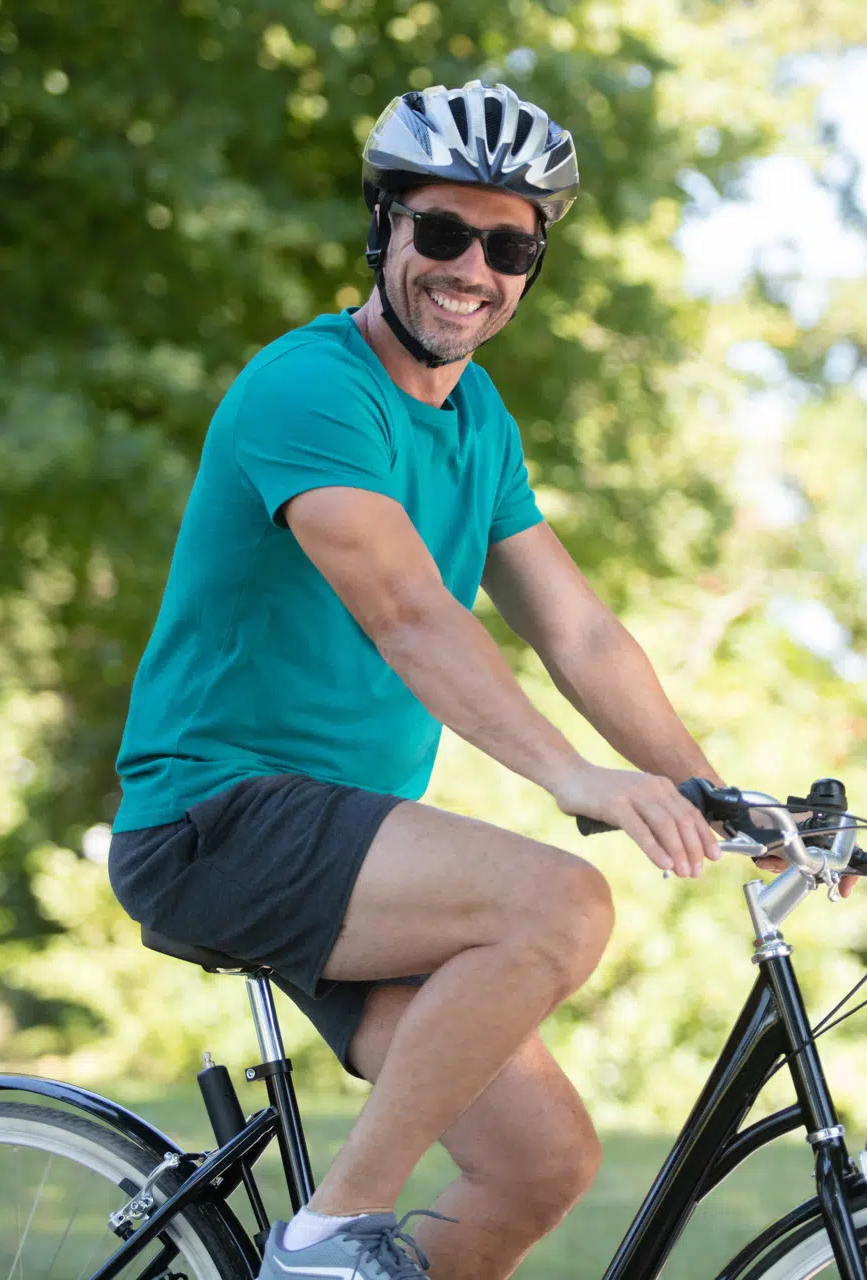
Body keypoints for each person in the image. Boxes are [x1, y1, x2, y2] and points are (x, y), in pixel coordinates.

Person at [106, 80, 725, 1280]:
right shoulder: (311, 384)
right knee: (560, 902)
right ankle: (325, 1238)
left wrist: (711, 791)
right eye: (442, 231)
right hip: (215, 817)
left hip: (343, 855)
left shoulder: (477, 417)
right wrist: (574, 778)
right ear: (383, 227)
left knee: (538, 1165)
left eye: (507, 246)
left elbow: (580, 630)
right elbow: (407, 612)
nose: (472, 269)